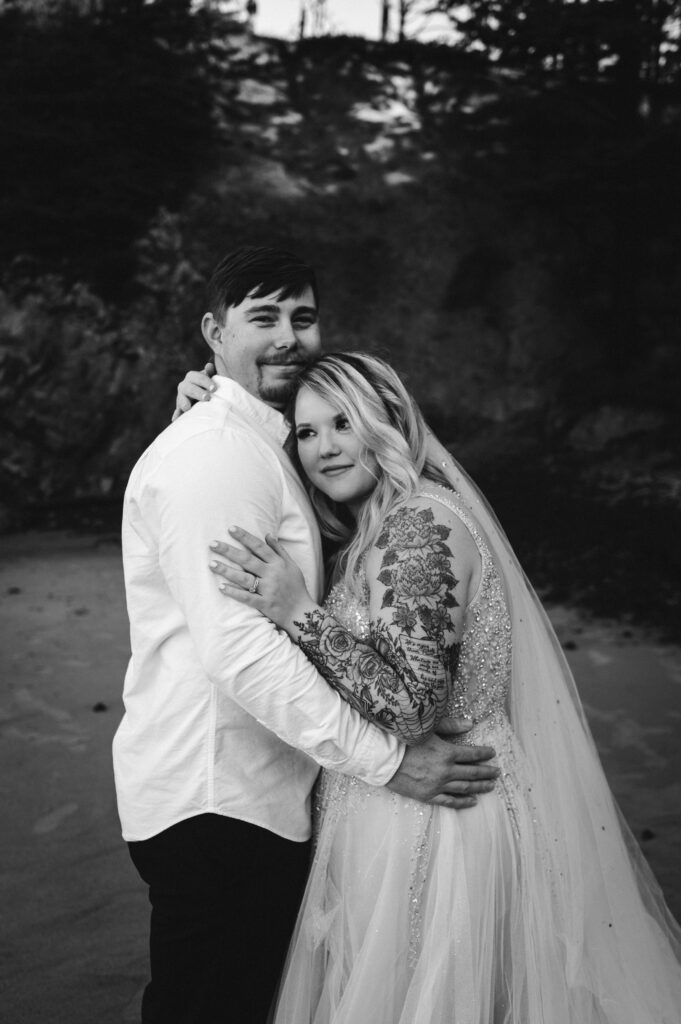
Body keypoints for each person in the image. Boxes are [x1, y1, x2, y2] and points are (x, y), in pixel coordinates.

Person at [183, 351, 681, 1022]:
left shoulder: (419, 526)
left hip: (443, 825)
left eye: (342, 423)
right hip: (405, 809)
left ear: (385, 424)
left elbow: (412, 705)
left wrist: (296, 611)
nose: (325, 448)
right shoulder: (377, 526)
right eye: (305, 432)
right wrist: (204, 421)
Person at [114, 246, 500, 1024]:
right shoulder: (216, 453)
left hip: (270, 792)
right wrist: (388, 760)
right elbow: (241, 650)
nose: (288, 335)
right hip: (221, 798)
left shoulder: (261, 443)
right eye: (263, 317)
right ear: (213, 333)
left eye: (303, 316)